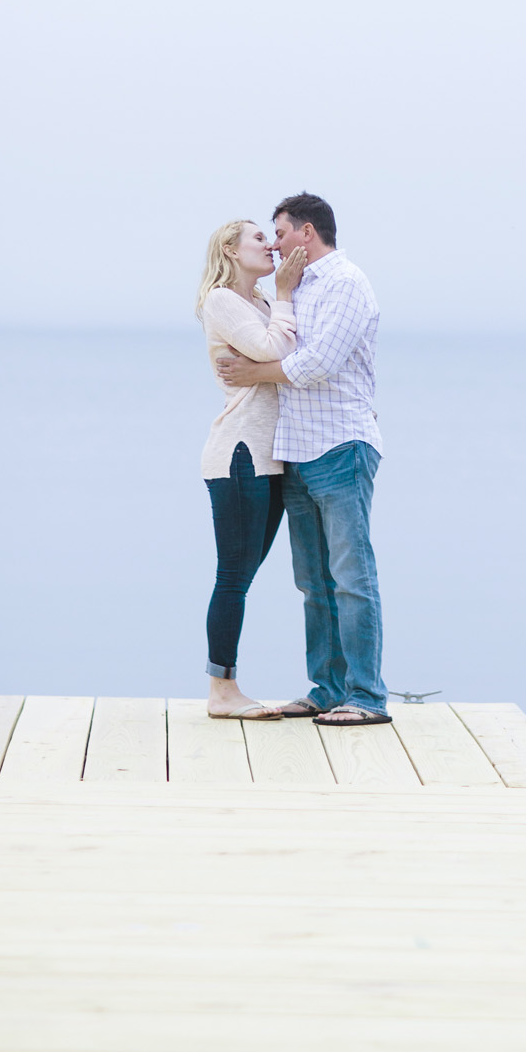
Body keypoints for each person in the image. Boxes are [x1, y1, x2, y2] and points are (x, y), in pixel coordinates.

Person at [215, 191, 389, 727]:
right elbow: (276, 344)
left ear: (306, 233)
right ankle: (328, 687)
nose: (274, 243)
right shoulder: (293, 289)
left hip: (340, 445)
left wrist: (253, 374)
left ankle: (366, 697)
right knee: (313, 582)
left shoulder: (345, 282)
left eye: (280, 231)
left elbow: (317, 363)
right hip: (295, 450)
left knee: (351, 577)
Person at [196, 217, 307, 720]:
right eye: (258, 238)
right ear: (230, 250)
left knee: (244, 575)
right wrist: (284, 293)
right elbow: (271, 350)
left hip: (272, 458)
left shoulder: (261, 303)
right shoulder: (222, 299)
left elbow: (293, 360)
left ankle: (226, 687)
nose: (271, 244)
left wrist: (278, 299)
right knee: (233, 576)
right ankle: (222, 692)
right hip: (239, 452)